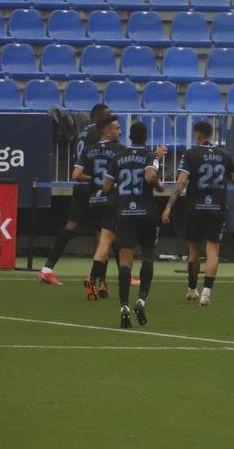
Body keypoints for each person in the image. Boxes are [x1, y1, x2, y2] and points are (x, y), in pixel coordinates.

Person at [162, 120, 234, 306]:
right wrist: (231, 173)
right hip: (217, 208)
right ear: (210, 135)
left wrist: (169, 205)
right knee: (213, 252)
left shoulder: (191, 154)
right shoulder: (224, 154)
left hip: (195, 208)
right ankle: (206, 292)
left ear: (197, 135)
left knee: (194, 250)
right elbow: (233, 178)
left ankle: (192, 289)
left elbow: (181, 183)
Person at [102, 121, 166, 328]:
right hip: (147, 212)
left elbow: (105, 187)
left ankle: (123, 306)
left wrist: (120, 189)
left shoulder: (118, 157)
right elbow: (150, 176)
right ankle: (141, 299)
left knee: (125, 260)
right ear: (145, 137)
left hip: (125, 213)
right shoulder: (150, 155)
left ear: (129, 136)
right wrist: (159, 185)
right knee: (148, 257)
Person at [38, 103, 111, 286]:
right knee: (106, 231)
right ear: (101, 117)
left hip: (80, 185)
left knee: (71, 227)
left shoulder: (83, 132)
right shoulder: (98, 134)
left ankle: (47, 269)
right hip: (93, 185)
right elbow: (101, 158)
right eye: (109, 117)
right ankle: (101, 278)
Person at [73, 114, 123, 301]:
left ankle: (102, 282)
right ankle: (92, 277)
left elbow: (76, 174)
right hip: (112, 201)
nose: (120, 131)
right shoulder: (120, 150)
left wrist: (92, 178)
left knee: (103, 242)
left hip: (94, 201)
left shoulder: (88, 150)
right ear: (107, 132)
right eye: (117, 128)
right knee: (106, 244)